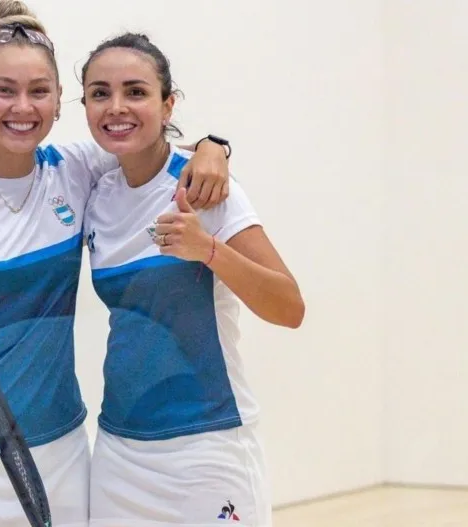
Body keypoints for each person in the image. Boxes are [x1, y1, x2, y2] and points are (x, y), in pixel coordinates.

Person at [0, 2, 235, 526]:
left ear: (59, 102)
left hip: (62, 451)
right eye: (4, 90)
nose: (23, 106)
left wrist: (213, 146)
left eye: (38, 91)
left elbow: (148, 138)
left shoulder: (76, 171)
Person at [80, 32, 306, 526]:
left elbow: (289, 307)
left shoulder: (207, 187)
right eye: (100, 93)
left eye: (136, 92)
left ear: (167, 104)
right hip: (120, 451)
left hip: (209, 444)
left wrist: (206, 250)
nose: (117, 106)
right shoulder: (94, 192)